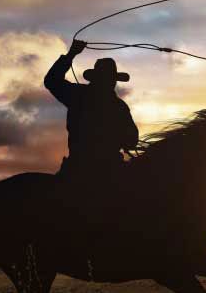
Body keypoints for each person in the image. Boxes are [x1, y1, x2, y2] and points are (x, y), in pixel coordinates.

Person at [44, 40, 139, 193]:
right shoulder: (119, 106)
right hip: (111, 170)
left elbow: (52, 81)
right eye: (110, 79)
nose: (111, 82)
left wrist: (71, 54)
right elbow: (131, 141)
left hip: (76, 168)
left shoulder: (77, 95)